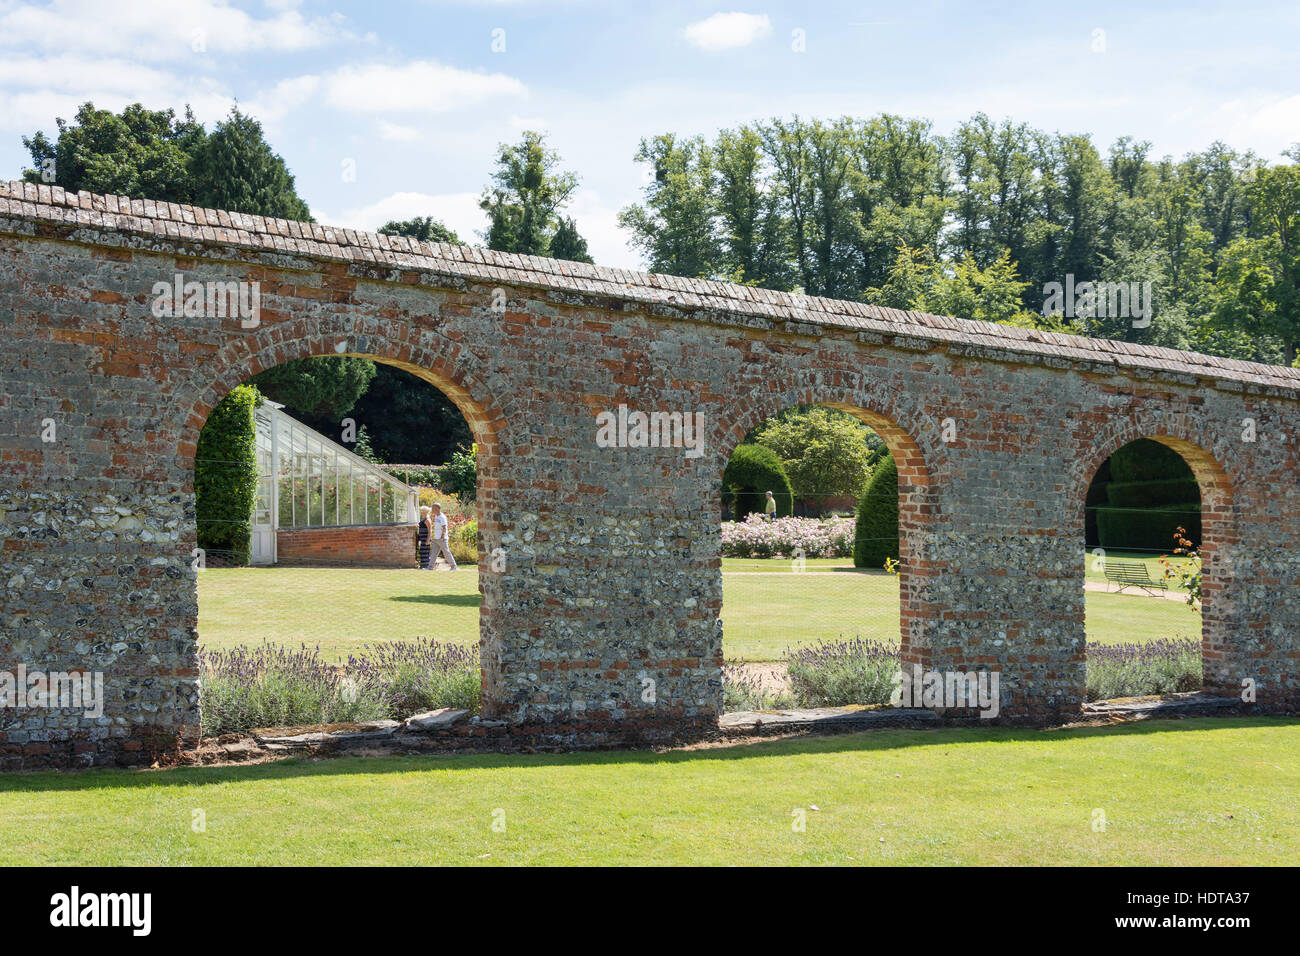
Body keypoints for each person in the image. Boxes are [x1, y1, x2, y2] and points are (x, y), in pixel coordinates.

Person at [429, 502, 458, 571]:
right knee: (433, 554)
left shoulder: (442, 517)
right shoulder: (436, 516)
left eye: (433, 508)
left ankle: (453, 567)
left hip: (442, 539)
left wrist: (442, 537)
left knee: (446, 553)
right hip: (436, 538)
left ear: (437, 508)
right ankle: (430, 567)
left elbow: (444, 527)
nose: (432, 510)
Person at [417, 505, 433, 570]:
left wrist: (428, 540)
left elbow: (430, 530)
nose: (421, 512)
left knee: (425, 552)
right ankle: (423, 565)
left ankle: (426, 566)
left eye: (422, 511)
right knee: (422, 551)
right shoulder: (424, 518)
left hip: (426, 538)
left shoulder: (427, 519)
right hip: (423, 538)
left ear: (425, 512)